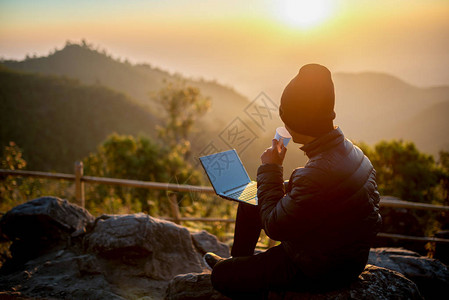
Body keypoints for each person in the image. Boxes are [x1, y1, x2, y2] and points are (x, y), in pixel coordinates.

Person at [203, 64, 382, 299]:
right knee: (250, 201)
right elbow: (321, 195)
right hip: (331, 248)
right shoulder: (352, 151)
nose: (284, 126)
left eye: (286, 119)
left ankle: (240, 272)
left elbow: (275, 226)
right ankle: (241, 263)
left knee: (222, 276)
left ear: (297, 123)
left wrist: (272, 167)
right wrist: (280, 184)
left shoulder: (318, 172)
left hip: (320, 267)